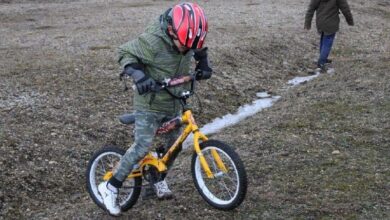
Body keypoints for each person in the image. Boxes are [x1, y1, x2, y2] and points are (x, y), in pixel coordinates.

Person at [98, 2, 212, 216]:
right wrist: (139, 75)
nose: (186, 50)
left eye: (190, 47)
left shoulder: (187, 37)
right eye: (183, 45)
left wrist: (203, 62)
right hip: (149, 102)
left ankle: (156, 179)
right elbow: (124, 53)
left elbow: (197, 47)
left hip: (175, 98)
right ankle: (111, 186)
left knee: (174, 145)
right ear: (171, 30)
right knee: (142, 146)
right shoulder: (152, 41)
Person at [304, 0, 354, 72]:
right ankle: (321, 62)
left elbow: (311, 9)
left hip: (320, 22)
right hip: (331, 23)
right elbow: (345, 9)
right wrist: (350, 21)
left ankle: (323, 58)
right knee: (327, 42)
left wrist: (307, 23)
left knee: (323, 39)